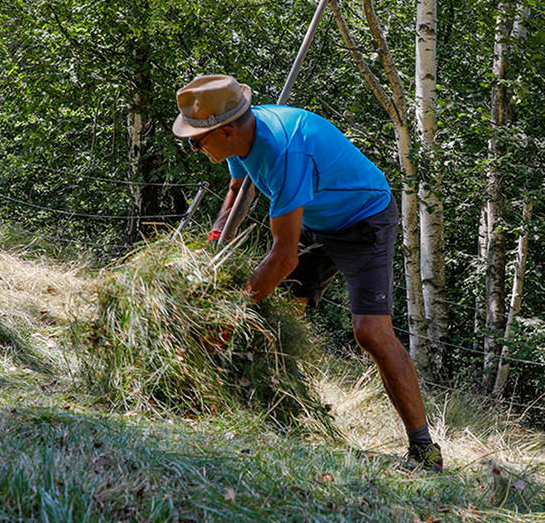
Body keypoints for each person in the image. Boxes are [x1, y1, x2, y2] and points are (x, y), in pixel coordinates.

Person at [172, 74, 442, 472]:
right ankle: (273, 409)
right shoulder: (237, 139)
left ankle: (425, 450)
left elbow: (284, 258)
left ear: (226, 131)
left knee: (370, 331)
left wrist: (229, 310)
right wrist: (215, 242)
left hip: (362, 218)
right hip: (313, 216)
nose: (195, 148)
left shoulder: (284, 153)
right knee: (281, 313)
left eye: (197, 141)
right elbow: (236, 189)